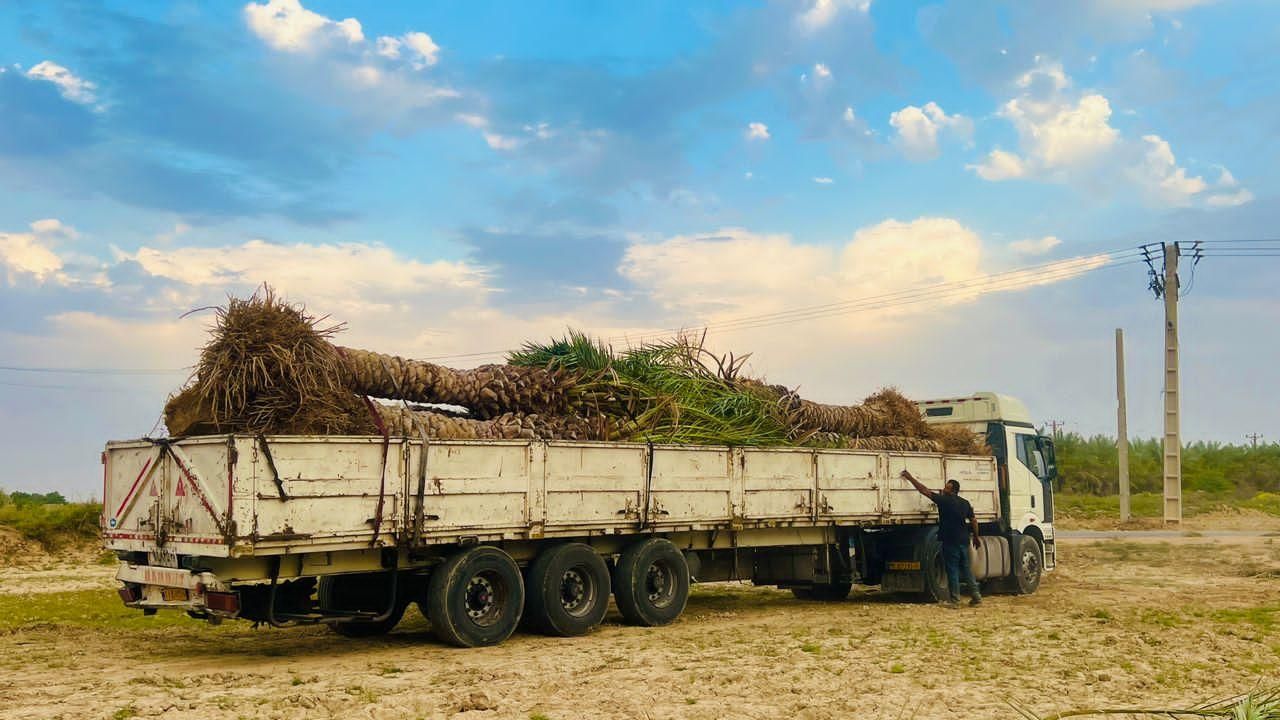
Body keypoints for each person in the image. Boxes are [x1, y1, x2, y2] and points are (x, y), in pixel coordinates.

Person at [899, 469, 982, 607]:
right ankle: (976, 597)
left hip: (950, 540)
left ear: (952, 490)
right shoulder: (965, 503)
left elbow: (924, 491)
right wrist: (976, 537)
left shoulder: (944, 500)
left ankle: (955, 601)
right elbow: (973, 520)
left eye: (946, 487)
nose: (943, 489)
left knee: (952, 569)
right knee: (966, 569)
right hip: (963, 540)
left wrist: (910, 477)